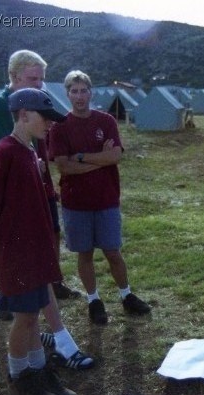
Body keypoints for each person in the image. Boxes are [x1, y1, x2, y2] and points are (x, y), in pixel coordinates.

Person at [0, 50, 93, 371]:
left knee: (44, 263)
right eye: (33, 78)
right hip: (19, 201)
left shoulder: (36, 110)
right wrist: (11, 167)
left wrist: (38, 175)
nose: (40, 84)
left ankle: (27, 317)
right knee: (34, 268)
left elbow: (41, 150)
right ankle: (58, 340)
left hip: (41, 191)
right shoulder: (2, 106)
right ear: (15, 77)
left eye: (41, 78)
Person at [0, 88, 79, 395]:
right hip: (16, 252)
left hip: (35, 247)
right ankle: (19, 380)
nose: (49, 124)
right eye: (44, 117)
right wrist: (11, 233)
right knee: (24, 318)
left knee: (34, 316)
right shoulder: (5, 152)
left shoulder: (29, 150)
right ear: (22, 115)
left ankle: (38, 372)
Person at [49, 70, 151, 324]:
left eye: (84, 91)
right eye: (74, 91)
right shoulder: (59, 126)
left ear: (91, 92)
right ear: (67, 94)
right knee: (84, 254)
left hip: (106, 198)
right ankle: (94, 300)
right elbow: (63, 166)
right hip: (76, 203)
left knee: (112, 252)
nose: (80, 96)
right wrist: (100, 160)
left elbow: (115, 156)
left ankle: (126, 295)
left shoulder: (106, 121)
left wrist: (81, 156)